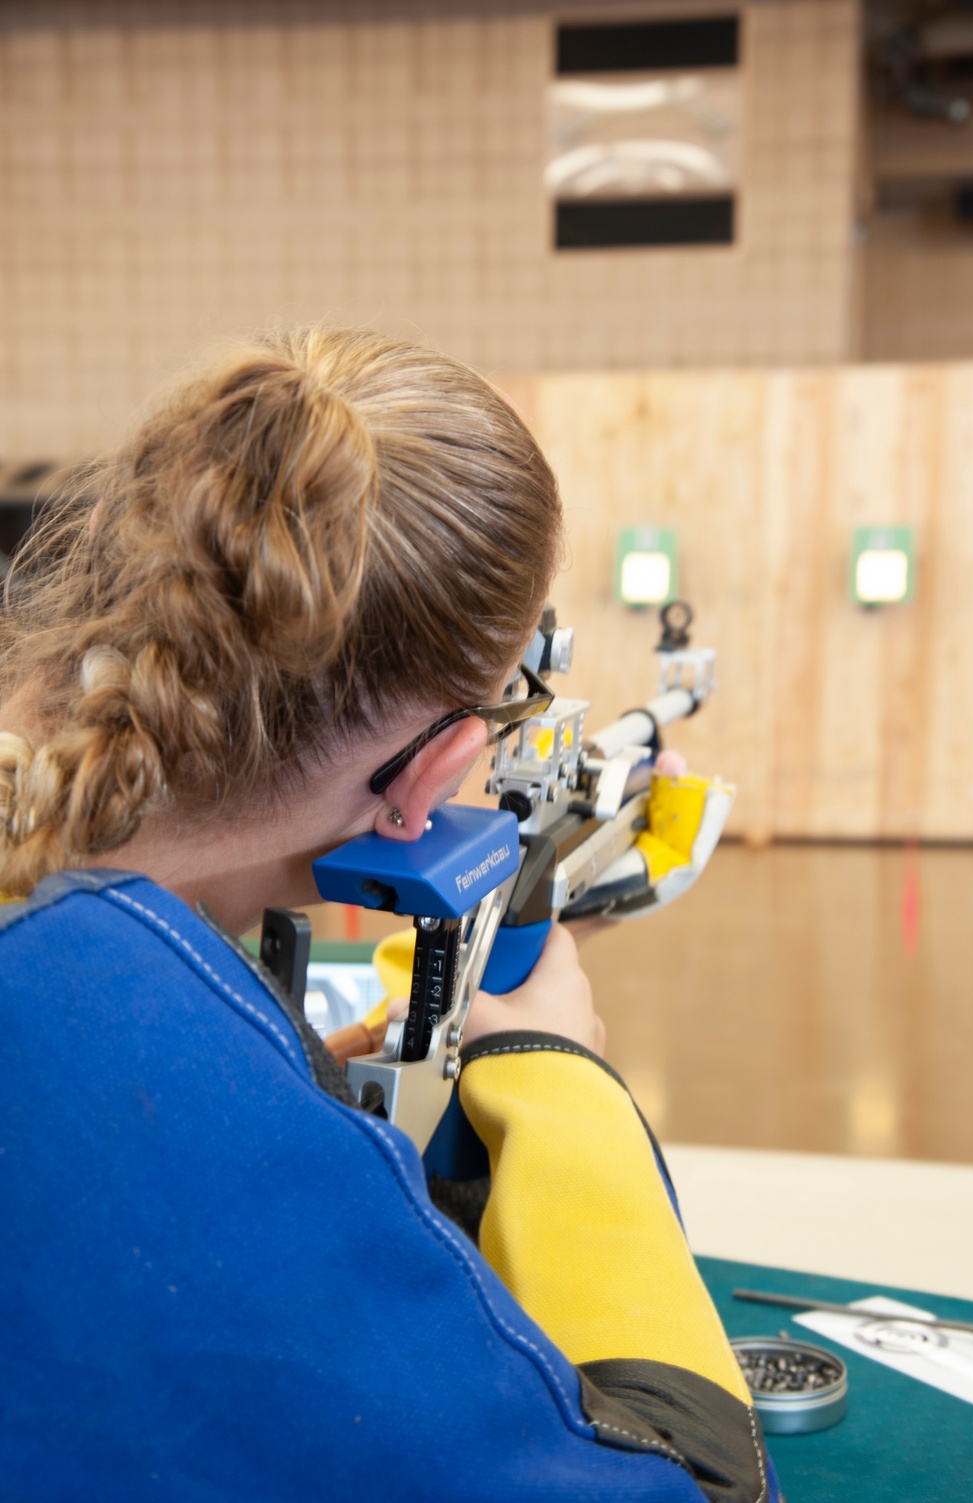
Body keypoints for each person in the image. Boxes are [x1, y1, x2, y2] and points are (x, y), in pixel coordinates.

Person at [0, 326, 777, 1502]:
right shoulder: (109, 1029)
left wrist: (282, 1095)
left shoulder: (78, 958)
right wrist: (558, 1082)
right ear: (436, 769)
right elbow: (692, 1487)